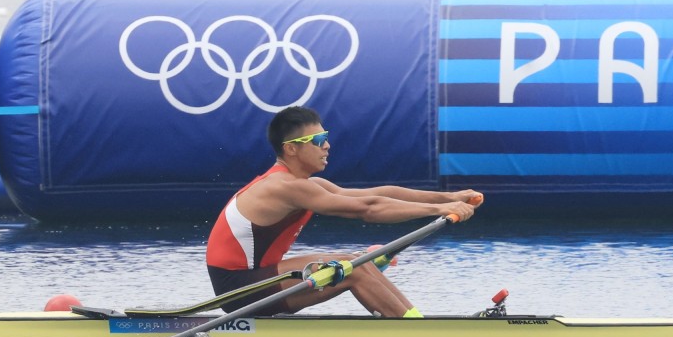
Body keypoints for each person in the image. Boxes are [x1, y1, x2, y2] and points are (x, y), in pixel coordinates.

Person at [206, 106, 481, 318]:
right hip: (238, 289)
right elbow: (367, 210)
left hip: (259, 277)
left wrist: (449, 196)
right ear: (290, 149)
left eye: (326, 137)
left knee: (360, 261)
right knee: (353, 268)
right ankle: (418, 330)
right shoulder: (283, 186)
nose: (327, 145)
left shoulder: (308, 184)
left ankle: (412, 322)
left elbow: (376, 194)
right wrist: (439, 209)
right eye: (318, 139)